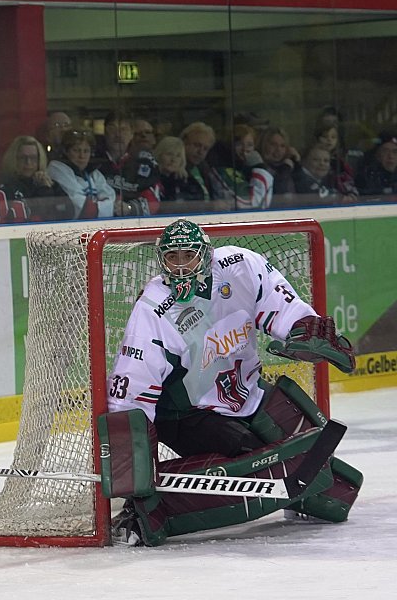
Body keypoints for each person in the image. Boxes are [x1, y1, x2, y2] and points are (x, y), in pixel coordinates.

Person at [103, 219, 360, 547]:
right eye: (172, 257)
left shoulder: (241, 266)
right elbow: (133, 391)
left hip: (245, 393)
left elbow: (285, 308)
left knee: (332, 484)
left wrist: (304, 329)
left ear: (206, 255)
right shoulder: (153, 307)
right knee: (260, 465)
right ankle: (153, 511)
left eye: (188, 255)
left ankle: (302, 499)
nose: (180, 266)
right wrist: (133, 468)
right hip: (187, 413)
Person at [47, 130, 119, 219]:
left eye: (86, 151)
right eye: (76, 150)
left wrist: (97, 207)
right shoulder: (57, 168)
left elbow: (111, 198)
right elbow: (79, 204)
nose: (82, 156)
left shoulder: (94, 173)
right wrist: (103, 206)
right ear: (66, 151)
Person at [0, 135, 70, 222]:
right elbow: (38, 214)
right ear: (14, 159)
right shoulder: (7, 187)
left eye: (33, 158)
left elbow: (68, 212)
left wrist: (47, 186)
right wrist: (44, 190)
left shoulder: (50, 184)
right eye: (23, 158)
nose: (28, 162)